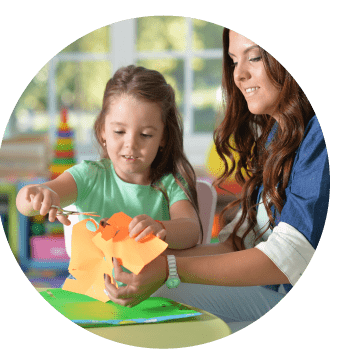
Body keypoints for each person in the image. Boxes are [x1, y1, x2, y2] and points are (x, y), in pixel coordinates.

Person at [104, 29, 330, 331]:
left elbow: (285, 258)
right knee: (148, 298)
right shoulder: (278, 136)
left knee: (163, 307)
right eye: (234, 61)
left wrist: (169, 267)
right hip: (274, 292)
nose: (239, 75)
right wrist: (144, 262)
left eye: (254, 57)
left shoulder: (320, 137)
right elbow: (241, 243)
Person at [16, 65, 201, 250]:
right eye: (119, 131)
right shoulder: (88, 176)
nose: (131, 144)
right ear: (103, 130)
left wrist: (160, 228)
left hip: (155, 279)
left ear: (163, 137)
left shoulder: (170, 183)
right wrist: (39, 196)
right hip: (92, 279)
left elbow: (191, 231)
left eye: (145, 135)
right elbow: (24, 203)